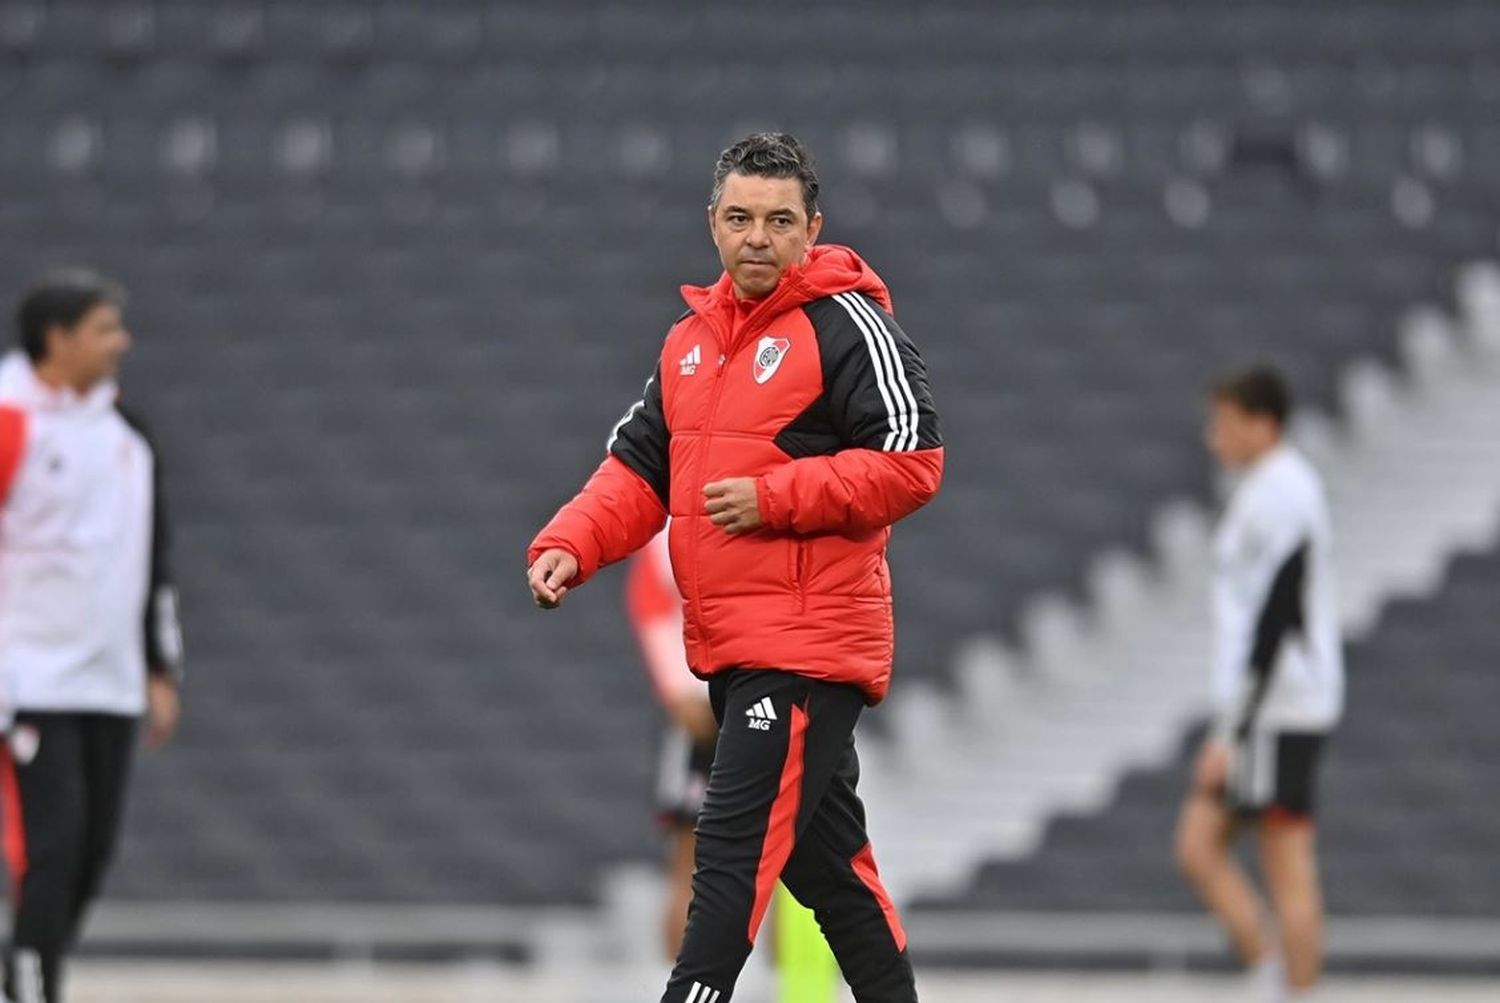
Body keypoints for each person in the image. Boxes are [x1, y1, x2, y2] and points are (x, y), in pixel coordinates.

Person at [527, 132, 943, 1003]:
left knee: (728, 851)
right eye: (741, 218)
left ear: (813, 227)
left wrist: (774, 495)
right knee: (831, 875)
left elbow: (912, 461)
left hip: (807, 647)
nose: (759, 236)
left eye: (780, 220)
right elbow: (639, 467)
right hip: (733, 645)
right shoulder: (690, 341)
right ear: (712, 224)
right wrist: (570, 541)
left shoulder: (850, 323)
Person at [0, 271, 184, 1003]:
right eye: (106, 328)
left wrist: (159, 665)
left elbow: (151, 558)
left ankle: (26, 969)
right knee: (51, 845)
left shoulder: (126, 438)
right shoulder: (12, 421)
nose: (122, 343)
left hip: (107, 678)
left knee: (92, 852)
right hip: (30, 678)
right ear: (60, 337)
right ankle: (32, 985)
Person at [1175, 365, 1343, 1003]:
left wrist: (1233, 730)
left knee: (1285, 864)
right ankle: (1273, 974)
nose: (1214, 437)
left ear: (1261, 422)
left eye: (1225, 422)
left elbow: (1277, 618)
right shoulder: (1265, 489)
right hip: (1268, 707)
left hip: (1280, 708)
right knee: (1200, 844)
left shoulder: (1284, 494)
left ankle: (1290, 988)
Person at [627, 527, 719, 959]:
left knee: (784, 858)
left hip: (754, 696)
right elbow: (650, 600)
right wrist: (677, 689)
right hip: (702, 706)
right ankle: (678, 981)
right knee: (689, 855)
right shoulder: (671, 527)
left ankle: (779, 983)